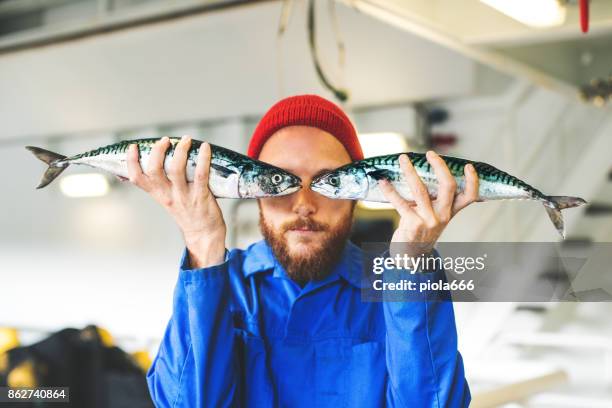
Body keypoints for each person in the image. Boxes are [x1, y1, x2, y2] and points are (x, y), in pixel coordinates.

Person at [131, 95, 478, 407]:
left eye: (329, 182)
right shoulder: (223, 282)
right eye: (281, 181)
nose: (304, 204)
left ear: (356, 193)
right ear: (254, 191)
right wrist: (202, 240)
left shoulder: (396, 284)